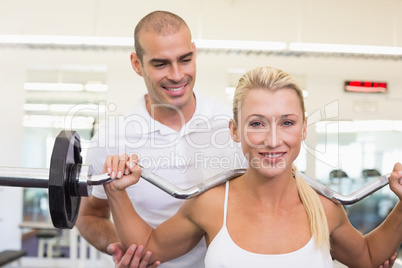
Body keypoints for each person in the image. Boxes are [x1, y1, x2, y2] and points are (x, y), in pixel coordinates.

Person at [103, 66, 402, 268]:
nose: (273, 140)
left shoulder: (324, 209)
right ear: (235, 131)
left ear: (303, 129)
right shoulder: (211, 204)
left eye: (287, 122)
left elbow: (368, 256)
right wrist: (116, 193)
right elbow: (147, 247)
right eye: (257, 123)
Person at [76, 10, 244, 268]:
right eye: (160, 63)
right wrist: (120, 248)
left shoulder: (231, 125)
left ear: (194, 53)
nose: (177, 75)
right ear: (136, 64)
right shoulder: (111, 139)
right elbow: (90, 215)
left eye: (185, 59)